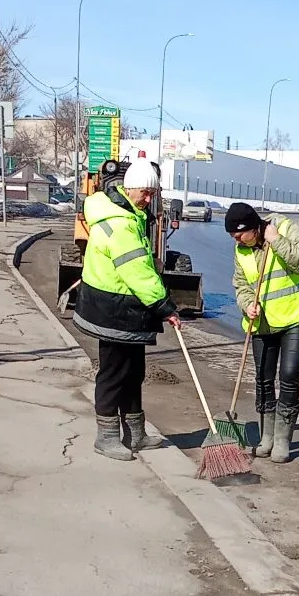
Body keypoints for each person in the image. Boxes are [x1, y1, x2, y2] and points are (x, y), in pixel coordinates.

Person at [73, 161, 180, 461]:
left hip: (124, 310)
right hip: (114, 311)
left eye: (152, 194)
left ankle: (135, 433)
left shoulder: (128, 214)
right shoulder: (120, 223)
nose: (148, 200)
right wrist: (165, 308)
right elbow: (139, 274)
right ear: (129, 188)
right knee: (114, 374)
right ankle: (106, 437)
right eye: (145, 193)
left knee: (133, 373)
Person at [225, 201, 299, 464]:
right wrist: (247, 305)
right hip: (263, 323)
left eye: (239, 234)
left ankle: (282, 440)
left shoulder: (285, 227)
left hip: (295, 317)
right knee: (263, 379)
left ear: (253, 227)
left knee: (288, 375)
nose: (236, 240)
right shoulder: (240, 251)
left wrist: (276, 240)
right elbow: (241, 285)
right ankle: (266, 438)